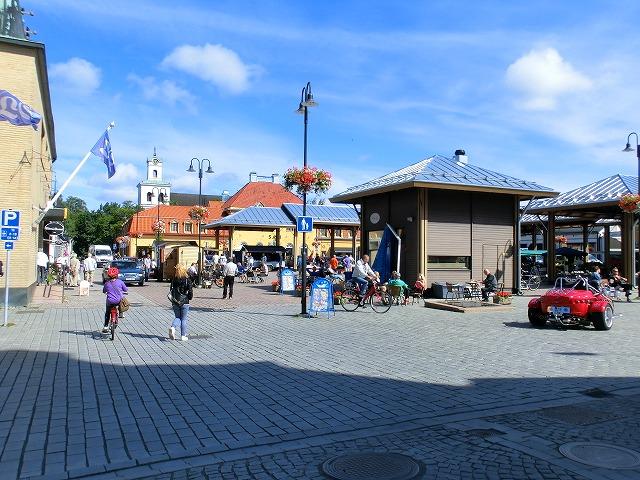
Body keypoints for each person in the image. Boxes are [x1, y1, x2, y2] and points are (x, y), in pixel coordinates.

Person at [169, 263, 193, 341]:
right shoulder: (187, 279)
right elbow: (190, 291)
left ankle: (173, 327)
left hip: (175, 301)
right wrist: (189, 297)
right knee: (183, 319)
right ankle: (183, 336)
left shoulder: (174, 279)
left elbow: (171, 290)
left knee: (177, 317)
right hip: (184, 301)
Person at [102, 267, 127, 333]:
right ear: (117, 275)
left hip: (110, 301)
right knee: (121, 304)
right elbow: (125, 290)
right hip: (118, 300)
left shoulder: (107, 283)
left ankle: (106, 326)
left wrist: (107, 291)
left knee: (107, 312)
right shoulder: (120, 282)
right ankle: (121, 313)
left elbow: (104, 291)